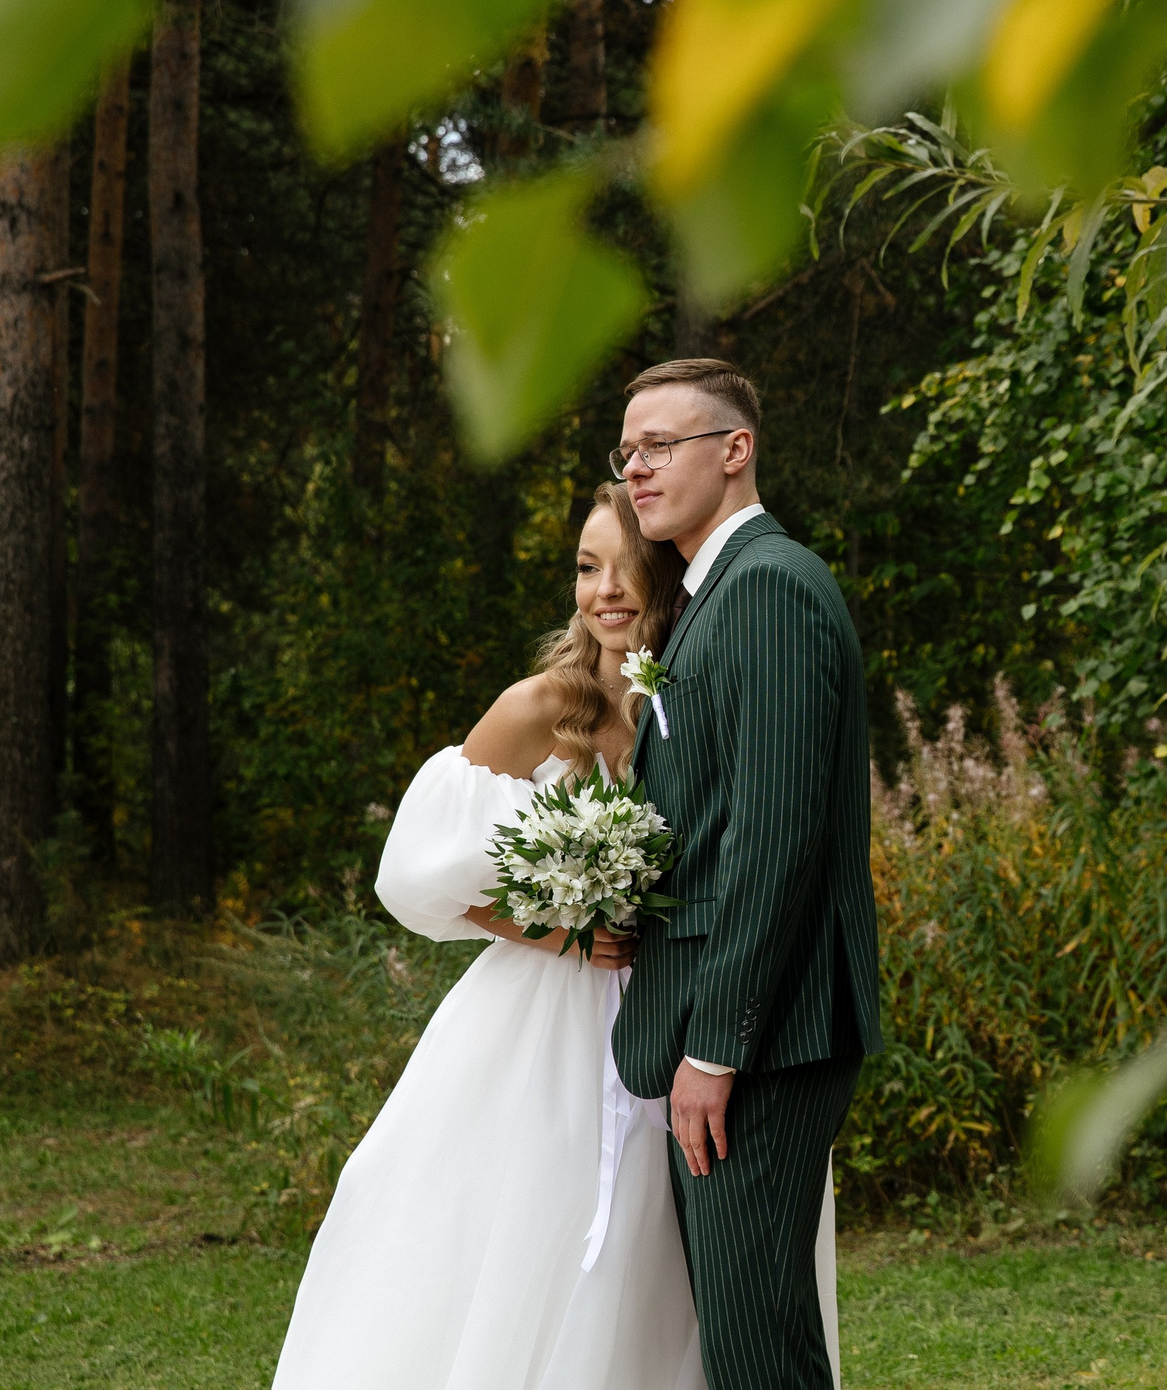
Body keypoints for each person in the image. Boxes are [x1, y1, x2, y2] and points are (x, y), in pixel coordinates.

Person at [270, 481, 843, 1390]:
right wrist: (549, 929)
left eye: (630, 568)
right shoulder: (538, 706)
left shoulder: (697, 698)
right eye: (586, 567)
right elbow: (418, 871)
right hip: (548, 1025)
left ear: (673, 579)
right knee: (530, 1226)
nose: (605, 590)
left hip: (679, 1010)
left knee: (663, 1251)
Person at [611, 360, 884, 1390]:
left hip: (765, 1038)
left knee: (759, 1346)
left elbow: (775, 842)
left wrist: (716, 1047)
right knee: (744, 1336)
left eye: (661, 445)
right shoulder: (714, 589)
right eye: (627, 452)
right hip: (745, 1034)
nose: (637, 469)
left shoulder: (767, 588)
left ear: (736, 451)